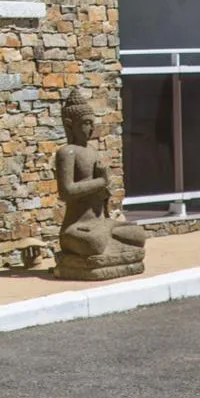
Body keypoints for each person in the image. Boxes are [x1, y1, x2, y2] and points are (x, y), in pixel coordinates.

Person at [55, 87, 145, 266]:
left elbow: (101, 193)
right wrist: (100, 181)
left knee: (139, 235)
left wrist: (104, 191)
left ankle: (106, 247)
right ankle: (103, 250)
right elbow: (66, 192)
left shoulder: (92, 151)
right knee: (94, 243)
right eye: (86, 123)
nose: (91, 128)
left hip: (100, 222)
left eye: (92, 123)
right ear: (69, 124)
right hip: (77, 227)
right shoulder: (67, 153)